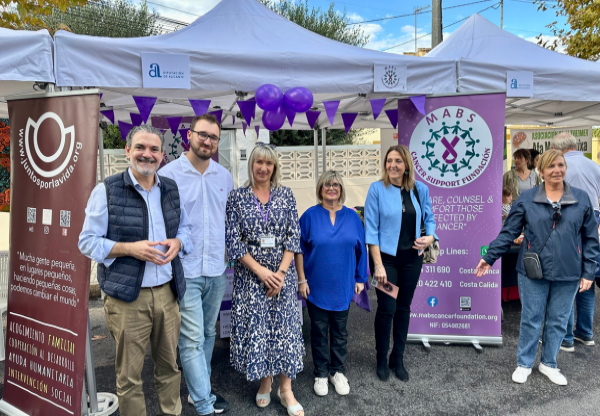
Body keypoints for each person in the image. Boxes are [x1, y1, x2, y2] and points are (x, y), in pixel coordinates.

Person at [79, 125, 193, 416]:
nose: (147, 154)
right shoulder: (107, 190)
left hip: (168, 296)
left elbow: (187, 230)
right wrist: (129, 249)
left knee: (170, 369)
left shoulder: (170, 189)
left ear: (162, 155)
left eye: (154, 149)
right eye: (140, 147)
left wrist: (179, 242)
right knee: (129, 379)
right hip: (128, 299)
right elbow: (87, 242)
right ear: (127, 150)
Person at [475, 149, 600, 386]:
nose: (557, 170)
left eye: (560, 165)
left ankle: (549, 363)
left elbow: (591, 238)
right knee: (531, 318)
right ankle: (524, 363)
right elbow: (509, 232)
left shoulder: (581, 199)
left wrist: (588, 271)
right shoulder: (527, 198)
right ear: (540, 171)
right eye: (551, 166)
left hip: (569, 271)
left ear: (566, 168)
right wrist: (490, 257)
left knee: (558, 319)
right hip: (534, 271)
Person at [159, 114, 233, 415]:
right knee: (190, 338)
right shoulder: (169, 174)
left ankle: (195, 390)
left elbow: (229, 220)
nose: (208, 141)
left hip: (217, 269)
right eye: (202, 135)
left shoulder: (224, 176)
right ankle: (204, 403)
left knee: (208, 334)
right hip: (185, 269)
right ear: (190, 135)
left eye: (213, 137)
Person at [225, 142, 305, 416]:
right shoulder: (236, 197)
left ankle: (286, 389)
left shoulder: (286, 195)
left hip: (283, 277)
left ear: (274, 167)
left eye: (268, 163)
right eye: (258, 162)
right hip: (251, 278)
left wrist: (281, 274)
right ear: (252, 165)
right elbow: (233, 241)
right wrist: (261, 272)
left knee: (284, 331)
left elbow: (294, 236)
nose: (263, 167)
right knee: (260, 331)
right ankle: (265, 380)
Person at [365, 145, 438, 382]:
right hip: (385, 261)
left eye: (397, 161)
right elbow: (371, 230)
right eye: (389, 161)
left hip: (411, 260)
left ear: (406, 164)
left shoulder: (420, 189)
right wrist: (377, 265)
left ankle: (398, 358)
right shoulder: (377, 189)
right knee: (387, 308)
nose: (392, 165)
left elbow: (430, 218)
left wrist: (430, 237)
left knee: (404, 308)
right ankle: (380, 358)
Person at [296, 170, 368, 397]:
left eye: (336, 184)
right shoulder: (309, 216)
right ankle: (320, 373)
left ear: (341, 189)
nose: (331, 188)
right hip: (316, 285)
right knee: (318, 332)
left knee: (339, 332)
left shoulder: (353, 216)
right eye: (327, 184)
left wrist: (360, 279)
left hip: (343, 285)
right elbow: (297, 250)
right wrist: (301, 279)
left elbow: (361, 249)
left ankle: (337, 371)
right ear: (320, 188)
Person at [551, 132, 600, 351]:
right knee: (587, 280)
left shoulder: (560, 167)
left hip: (569, 223)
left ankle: (566, 338)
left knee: (566, 280)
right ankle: (585, 333)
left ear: (559, 149)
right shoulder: (594, 166)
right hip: (594, 222)